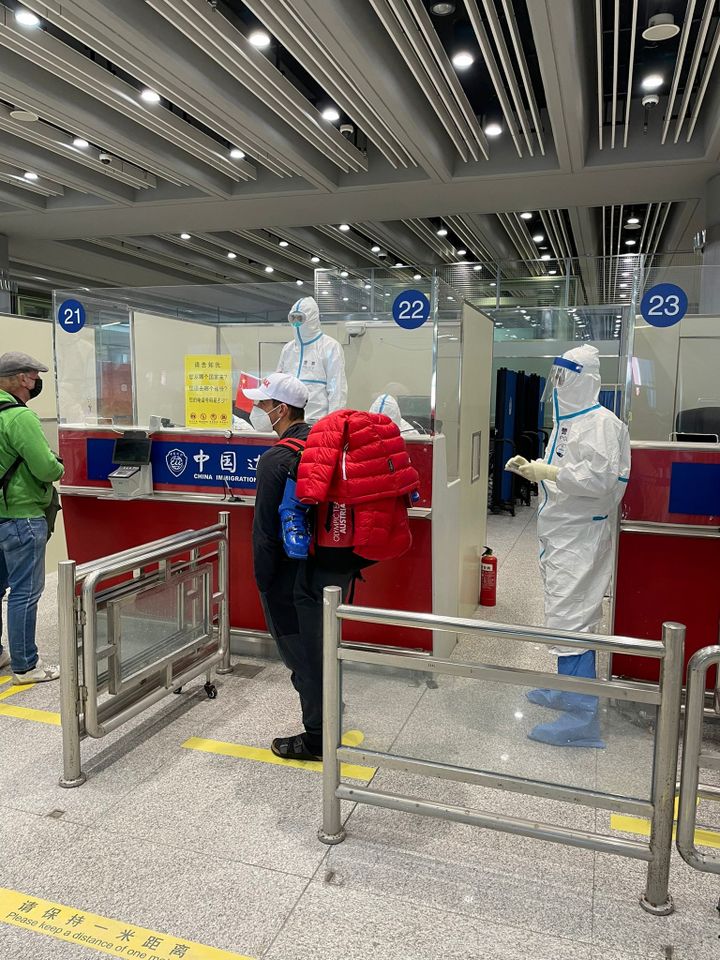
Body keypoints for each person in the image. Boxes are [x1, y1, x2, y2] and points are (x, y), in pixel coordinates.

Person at [505, 344, 630, 747]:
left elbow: (600, 483)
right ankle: (568, 689)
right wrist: (535, 472)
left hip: (580, 536)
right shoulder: (570, 422)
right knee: (562, 613)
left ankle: (582, 717)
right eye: (555, 377)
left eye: (564, 377)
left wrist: (551, 471)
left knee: (572, 617)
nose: (557, 385)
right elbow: (567, 473)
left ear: (582, 379)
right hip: (561, 532)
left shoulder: (601, 424)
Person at [244, 371, 358, 762]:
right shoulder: (325, 446)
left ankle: (316, 739)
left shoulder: (277, 458)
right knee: (326, 647)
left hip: (292, 580)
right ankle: (331, 712)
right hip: (336, 569)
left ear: (281, 409)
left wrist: (262, 581)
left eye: (263, 405)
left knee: (303, 658)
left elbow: (265, 534)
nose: (259, 411)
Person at [0, 352, 64, 683]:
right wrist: (59, 465)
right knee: (25, 591)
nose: (37, 382)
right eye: (35, 376)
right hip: (22, 515)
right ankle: (26, 665)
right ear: (23, 379)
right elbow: (44, 467)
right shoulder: (19, 417)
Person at [276, 296, 347, 422]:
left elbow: (337, 391)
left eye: (300, 318)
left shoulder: (330, 346)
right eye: (293, 318)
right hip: (289, 423)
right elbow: (278, 385)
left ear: (312, 318)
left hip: (318, 422)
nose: (296, 323)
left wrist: (333, 424)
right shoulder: (288, 349)